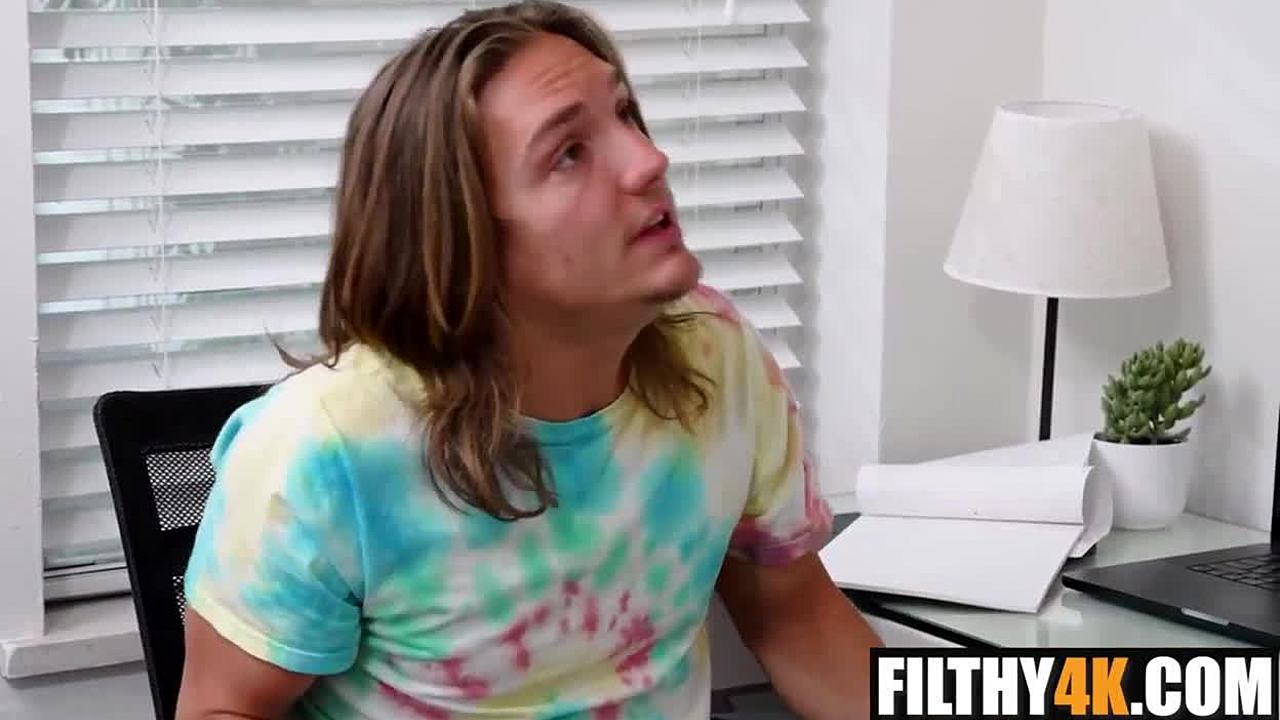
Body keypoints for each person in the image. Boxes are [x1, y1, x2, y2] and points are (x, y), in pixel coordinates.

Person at [176, 2, 882, 718]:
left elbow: (799, 621)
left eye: (626, 113)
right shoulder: (321, 450)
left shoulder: (717, 355)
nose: (649, 160)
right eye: (569, 152)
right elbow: (220, 708)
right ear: (461, 240)